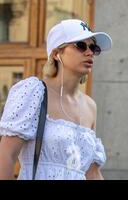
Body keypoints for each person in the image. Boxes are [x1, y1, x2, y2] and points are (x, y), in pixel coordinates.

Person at [0, 19, 113, 180]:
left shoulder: (90, 106)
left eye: (93, 47)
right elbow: (6, 156)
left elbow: (92, 173)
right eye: (81, 45)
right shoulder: (34, 91)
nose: (89, 52)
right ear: (56, 53)